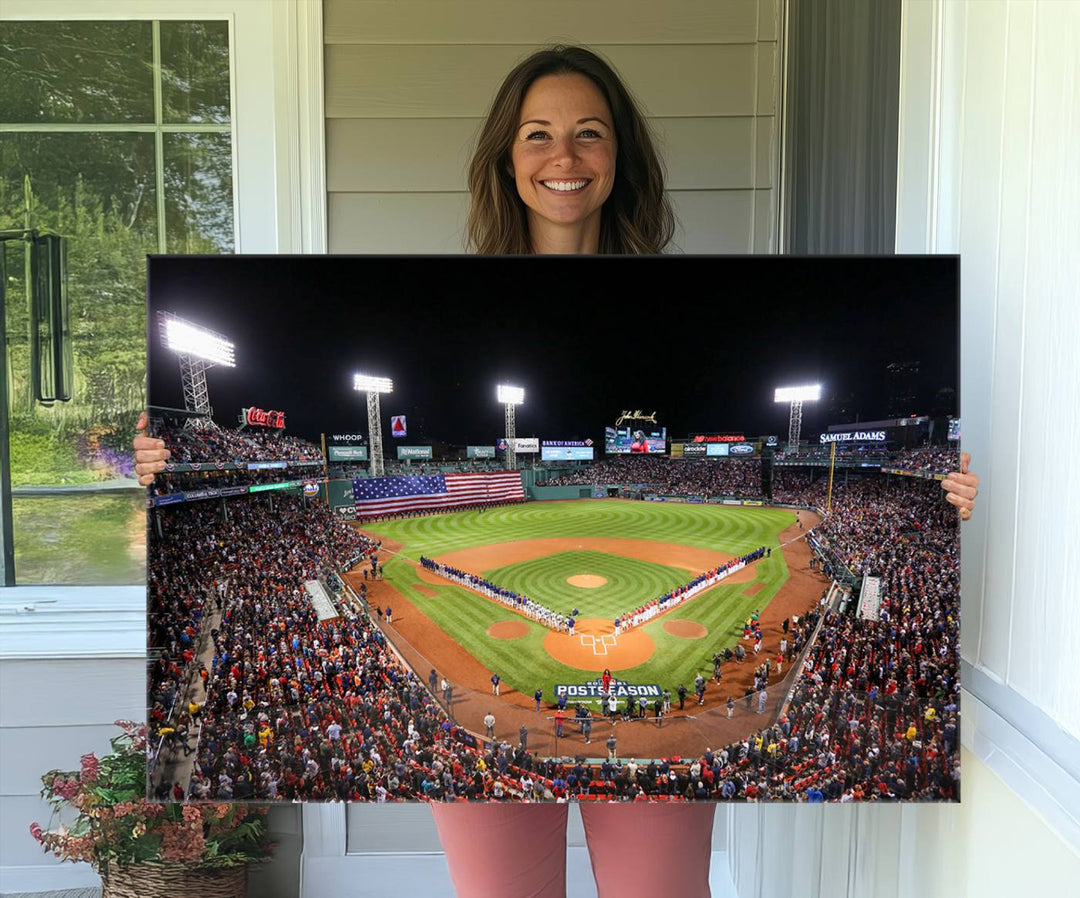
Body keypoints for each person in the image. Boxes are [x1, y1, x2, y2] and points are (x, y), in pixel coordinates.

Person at [132, 43, 980, 898]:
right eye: (537, 134)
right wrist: (165, 467)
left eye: (589, 134)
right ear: (507, 157)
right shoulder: (456, 301)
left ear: (620, 158)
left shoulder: (670, 299)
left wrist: (948, 502)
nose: (563, 157)